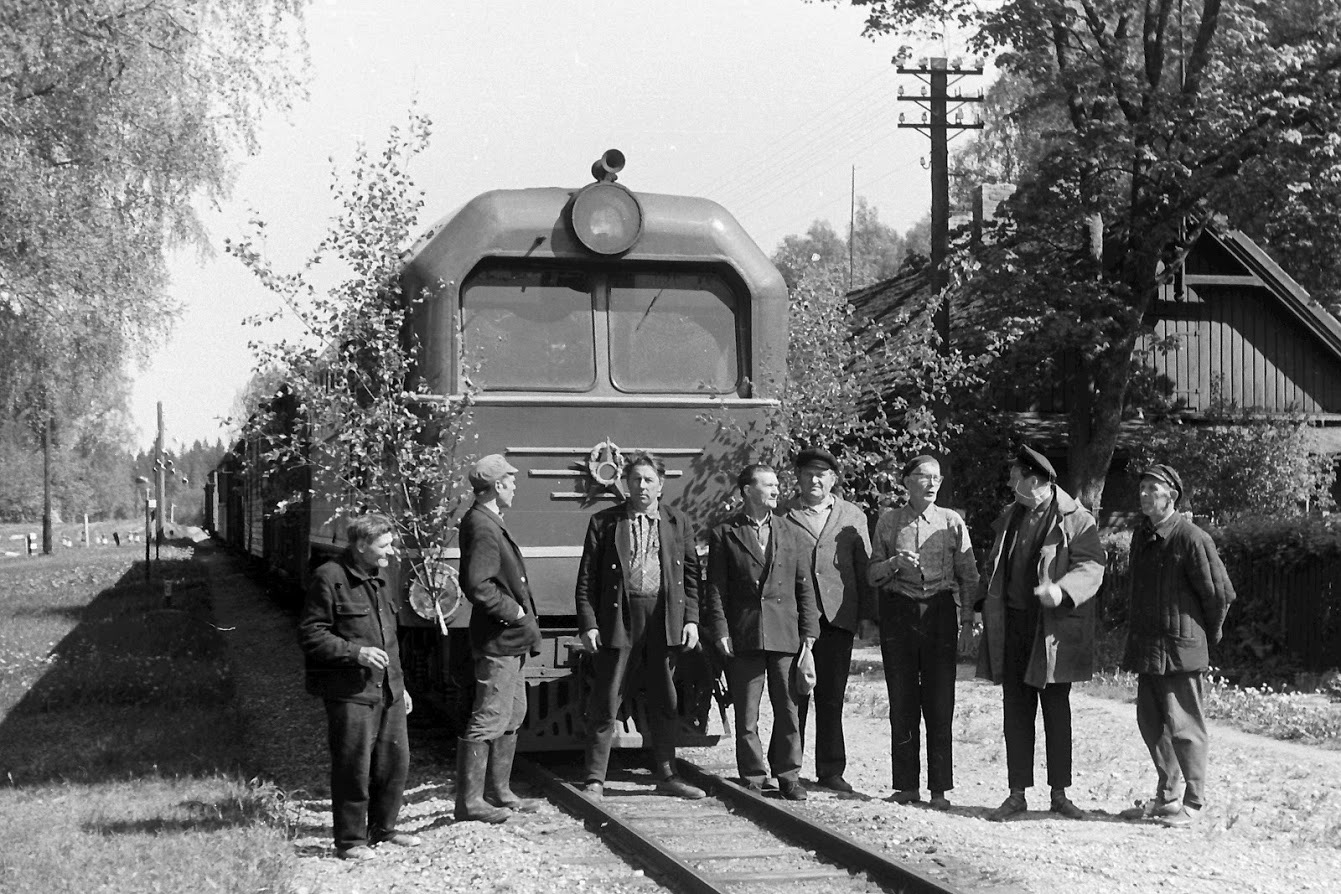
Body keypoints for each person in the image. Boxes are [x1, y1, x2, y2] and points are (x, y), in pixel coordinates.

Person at [976, 445, 1105, 822]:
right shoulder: (1010, 516)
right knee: (1015, 710)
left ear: (1035, 481)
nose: (1009, 482)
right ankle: (1017, 793)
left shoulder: (1077, 520)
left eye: (1014, 476)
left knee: (1055, 711)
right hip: (1013, 625)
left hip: (1052, 630)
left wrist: (1062, 590)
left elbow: (1092, 565)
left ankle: (1060, 794)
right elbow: (996, 566)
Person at [574, 452, 705, 800]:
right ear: (625, 485)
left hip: (664, 619)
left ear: (660, 485)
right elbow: (586, 578)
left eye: (649, 480)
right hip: (620, 618)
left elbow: (691, 576)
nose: (642, 486)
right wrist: (588, 623)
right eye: (636, 480)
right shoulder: (604, 523)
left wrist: (691, 620)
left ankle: (667, 774)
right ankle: (594, 779)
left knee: (665, 697)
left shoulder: (678, 522)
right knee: (607, 697)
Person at [298, 514, 421, 860]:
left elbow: (390, 640)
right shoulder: (329, 578)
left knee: (394, 763)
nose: (391, 551)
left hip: (389, 690)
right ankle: (350, 841)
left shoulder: (381, 577)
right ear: (361, 544)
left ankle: (384, 829)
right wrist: (357, 653)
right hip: (350, 691)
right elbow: (311, 634)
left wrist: (402, 686)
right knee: (354, 766)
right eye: (384, 545)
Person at [1121, 463, 1236, 828]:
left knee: (1185, 727)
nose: (1143, 494)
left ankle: (1195, 802)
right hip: (1147, 647)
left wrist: (1206, 635)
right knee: (1152, 724)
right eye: (1141, 487)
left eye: (1151, 488)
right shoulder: (1142, 536)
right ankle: (1168, 796)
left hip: (1180, 649)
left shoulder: (1191, 538)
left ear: (1171, 495)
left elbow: (1220, 594)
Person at [703, 463, 819, 800]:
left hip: (785, 634)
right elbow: (716, 589)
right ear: (746, 491)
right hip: (744, 633)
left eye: (775, 486)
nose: (775, 491)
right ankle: (752, 775)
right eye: (767, 485)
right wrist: (721, 629)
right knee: (747, 711)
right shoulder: (724, 533)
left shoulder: (792, 532)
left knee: (788, 708)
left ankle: (788, 775)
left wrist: (808, 636)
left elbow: (805, 589)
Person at [868, 455, 979, 809]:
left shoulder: (951, 522)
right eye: (923, 477)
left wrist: (966, 623)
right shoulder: (889, 522)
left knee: (940, 701)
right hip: (899, 613)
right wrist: (893, 564)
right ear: (906, 482)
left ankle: (939, 789)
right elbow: (872, 574)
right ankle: (905, 786)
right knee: (901, 699)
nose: (932, 484)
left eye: (937, 478)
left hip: (940, 614)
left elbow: (969, 575)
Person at [779, 447, 875, 794]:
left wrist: (866, 616)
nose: (815, 480)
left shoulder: (853, 515)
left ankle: (831, 770)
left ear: (833, 479)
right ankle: (790, 770)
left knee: (832, 697)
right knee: (795, 696)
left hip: (838, 617)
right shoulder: (782, 513)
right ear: (799, 478)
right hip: (794, 618)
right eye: (808, 474)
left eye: (822, 474)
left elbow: (864, 568)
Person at [456, 454, 543, 824]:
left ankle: (500, 790)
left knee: (512, 712)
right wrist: (517, 613)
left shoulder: (489, 521)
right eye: (509, 481)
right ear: (495, 486)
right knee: (490, 715)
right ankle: (470, 801)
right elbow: (478, 585)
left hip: (509, 640)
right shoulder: (483, 525)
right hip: (499, 639)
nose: (514, 486)